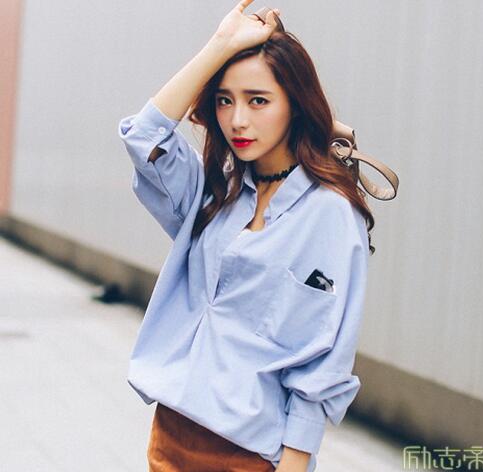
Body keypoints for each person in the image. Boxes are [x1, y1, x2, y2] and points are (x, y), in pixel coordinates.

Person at [117, 1, 374, 471]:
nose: (237, 120)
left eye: (258, 100)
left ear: (295, 105)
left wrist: (295, 461)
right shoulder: (215, 193)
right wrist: (220, 45)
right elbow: (143, 137)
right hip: (171, 432)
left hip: (251, 451)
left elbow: (326, 356)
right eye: (224, 100)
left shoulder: (330, 213)